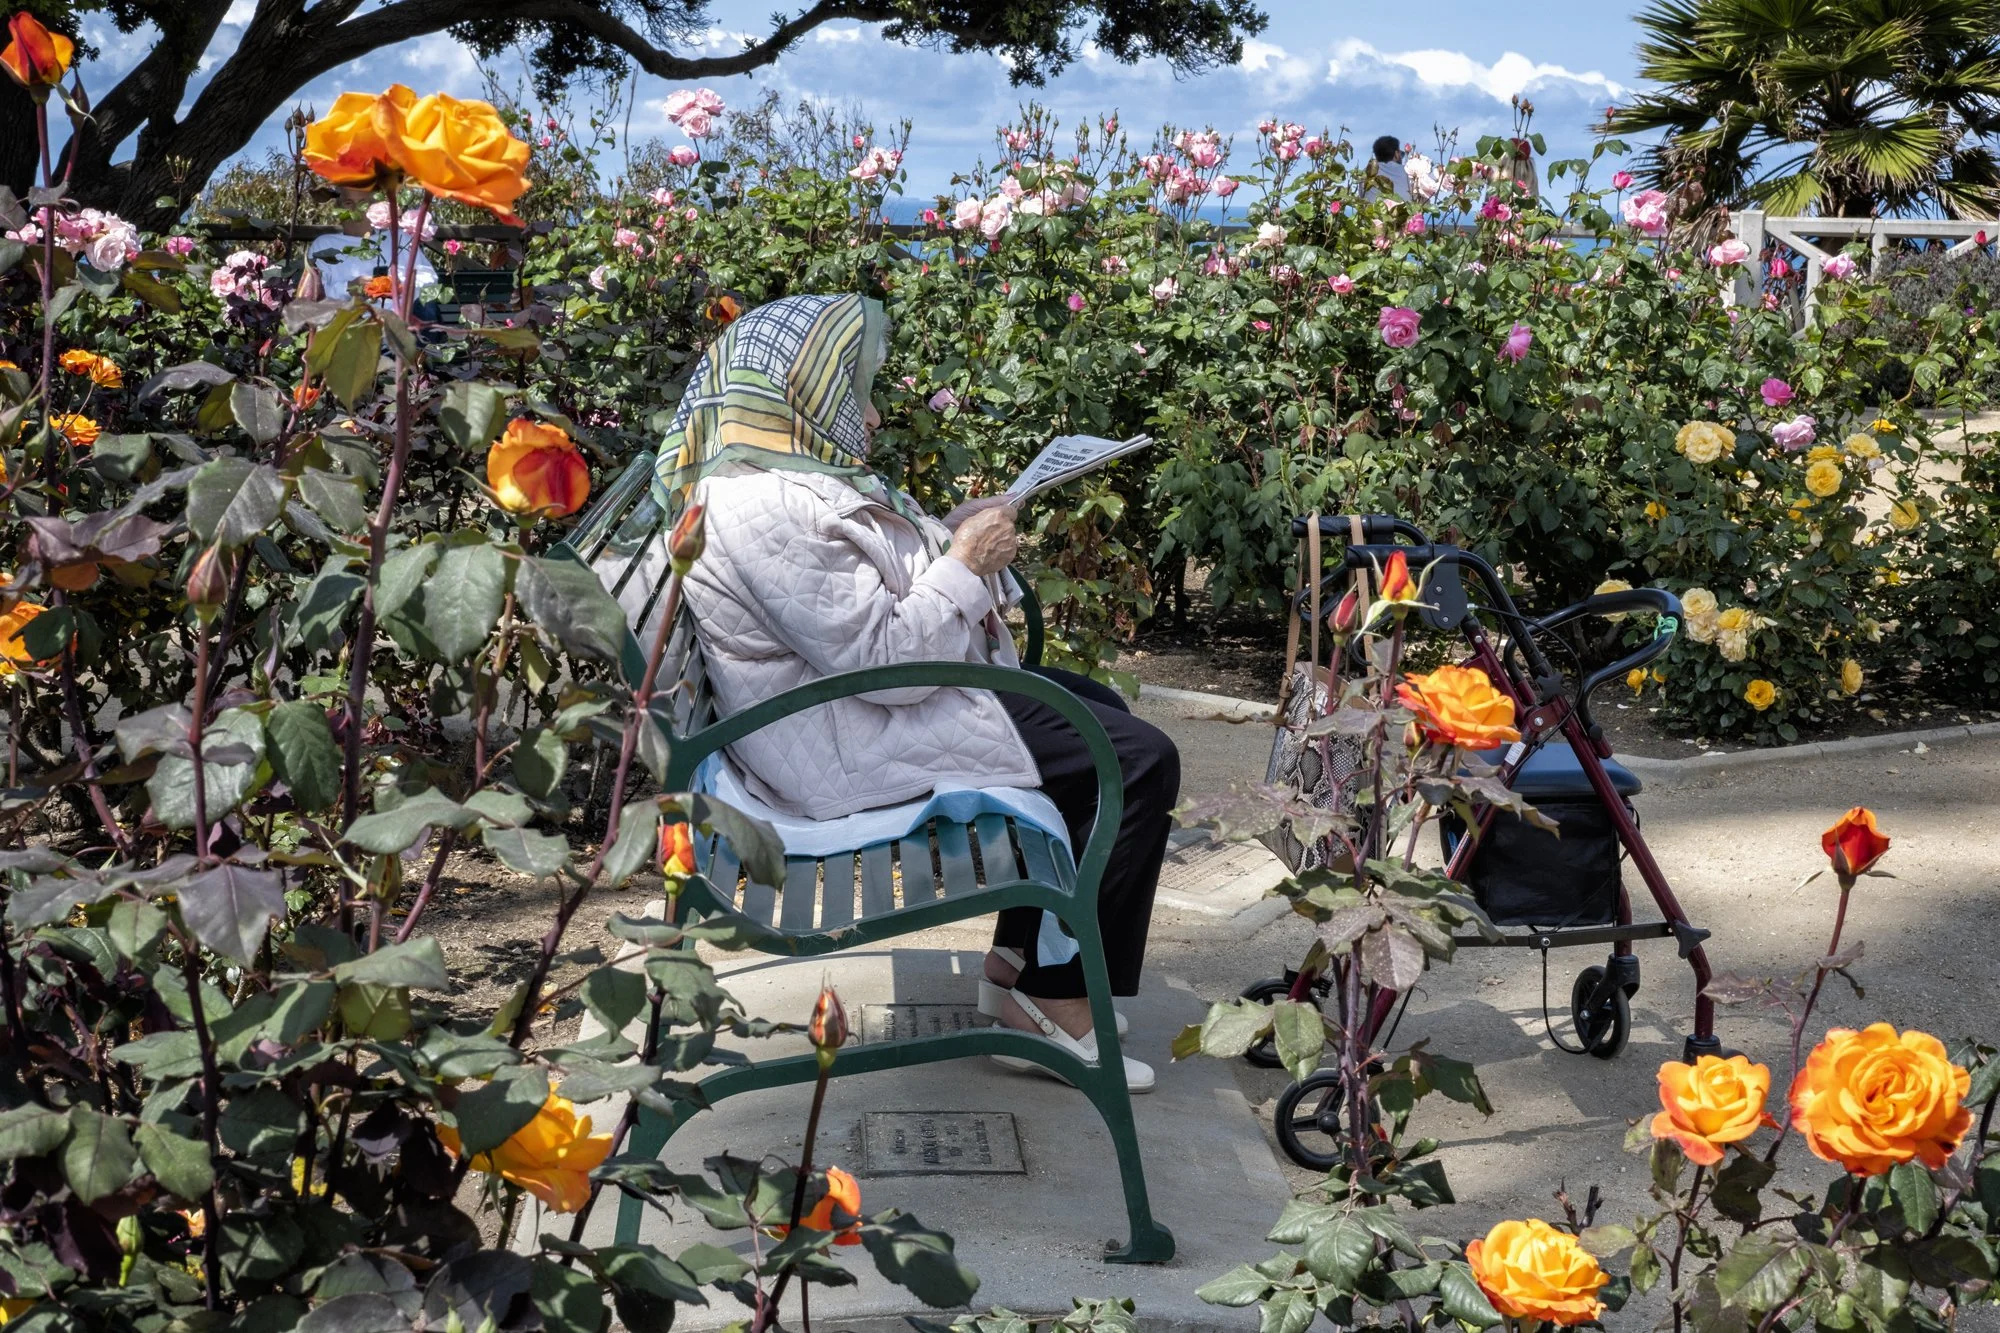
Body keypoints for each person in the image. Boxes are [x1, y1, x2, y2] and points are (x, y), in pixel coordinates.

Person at [656, 294, 1177, 1093]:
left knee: (1101, 712)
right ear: (794, 393)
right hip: (847, 742)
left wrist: (961, 536)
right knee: (1136, 759)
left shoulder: (776, 478)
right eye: (851, 390)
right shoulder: (759, 505)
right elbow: (891, 663)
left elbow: (862, 607)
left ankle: (1017, 968)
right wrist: (965, 563)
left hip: (845, 715)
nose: (866, 414)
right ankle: (1051, 996)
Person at [1366, 135, 1410, 200]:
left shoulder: (1365, 174)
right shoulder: (1409, 172)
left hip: (1372, 209)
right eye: (1401, 155)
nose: (1401, 158)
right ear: (1396, 154)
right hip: (1403, 209)